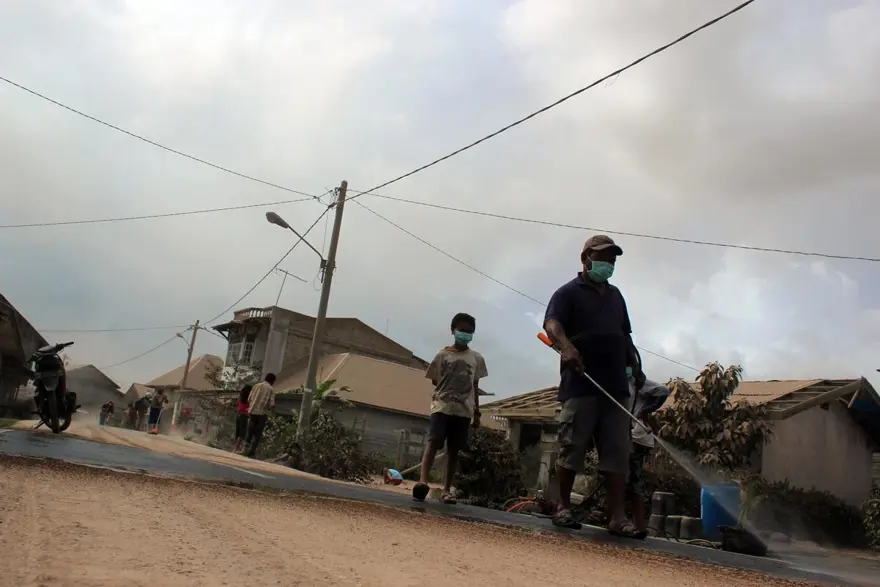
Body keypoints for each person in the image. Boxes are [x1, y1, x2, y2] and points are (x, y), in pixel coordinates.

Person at [543, 234, 643, 536]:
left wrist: (636, 366)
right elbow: (551, 325)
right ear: (585, 258)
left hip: (615, 386)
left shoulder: (616, 296)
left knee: (617, 452)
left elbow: (625, 335)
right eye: (602, 258)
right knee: (572, 446)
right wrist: (567, 348)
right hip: (582, 383)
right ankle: (562, 506)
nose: (608, 264)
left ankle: (616, 517)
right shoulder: (567, 293)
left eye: (612, 260)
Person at [413, 312, 488, 504]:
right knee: (434, 441)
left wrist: (477, 412)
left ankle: (447, 490)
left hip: (463, 410)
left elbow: (475, 385)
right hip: (442, 406)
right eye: (462, 330)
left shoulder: (476, 358)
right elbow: (435, 380)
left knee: (454, 450)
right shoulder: (442, 355)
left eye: (469, 332)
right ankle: (422, 481)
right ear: (453, 330)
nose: (465, 334)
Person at [624, 373, 670, 538]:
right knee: (625, 480)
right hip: (632, 437)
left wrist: (644, 412)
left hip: (637, 439)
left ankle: (639, 526)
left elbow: (663, 390)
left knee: (631, 481)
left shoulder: (634, 382)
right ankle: (631, 523)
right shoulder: (621, 382)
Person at [244, 373, 276, 458]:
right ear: (272, 381)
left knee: (250, 431)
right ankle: (251, 452)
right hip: (262, 414)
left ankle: (245, 449)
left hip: (252, 412)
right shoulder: (271, 389)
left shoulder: (256, 386)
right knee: (257, 434)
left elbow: (249, 398)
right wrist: (271, 408)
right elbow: (271, 404)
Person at [233, 383, 253, 454]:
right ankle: (236, 448)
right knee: (242, 433)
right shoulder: (249, 399)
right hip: (244, 416)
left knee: (238, 432)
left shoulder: (240, 397)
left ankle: (238, 447)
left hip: (238, 415)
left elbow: (238, 405)